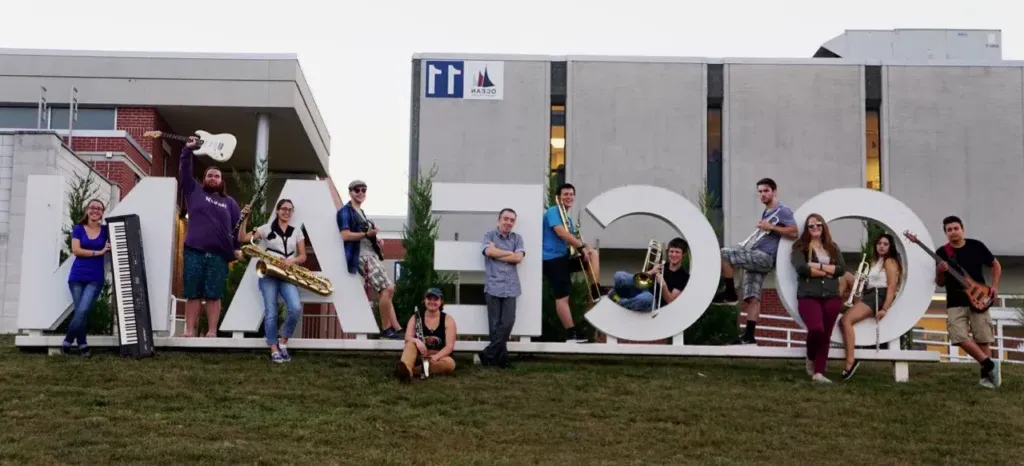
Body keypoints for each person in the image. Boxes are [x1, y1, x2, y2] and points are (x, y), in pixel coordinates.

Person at [713, 178, 797, 345]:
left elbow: (794, 232)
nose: (762, 194)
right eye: (760, 191)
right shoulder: (767, 212)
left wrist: (771, 227)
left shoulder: (783, 210)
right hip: (756, 257)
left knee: (723, 253)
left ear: (774, 191)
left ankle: (730, 292)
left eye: (765, 191)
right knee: (752, 297)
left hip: (764, 257)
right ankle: (749, 336)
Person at [179, 136, 242, 338]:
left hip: (218, 256)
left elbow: (236, 227)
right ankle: (189, 332)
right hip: (194, 252)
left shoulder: (230, 203)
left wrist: (237, 247)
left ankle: (212, 332)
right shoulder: (194, 192)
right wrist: (187, 151)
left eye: (216, 176)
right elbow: (184, 173)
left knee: (214, 295)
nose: (213, 178)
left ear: (221, 181)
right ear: (204, 179)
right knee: (193, 293)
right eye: (209, 176)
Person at [933, 215, 1001, 389]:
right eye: (949, 230)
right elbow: (940, 282)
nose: (953, 232)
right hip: (955, 301)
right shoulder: (942, 252)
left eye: (956, 228)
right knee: (958, 336)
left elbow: (996, 265)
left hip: (980, 299)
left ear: (962, 229)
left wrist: (994, 286)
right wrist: (940, 271)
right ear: (945, 233)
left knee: (983, 339)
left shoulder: (976, 246)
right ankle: (989, 364)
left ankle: (988, 378)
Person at [238, 199, 306, 363]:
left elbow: (303, 256)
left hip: (288, 274)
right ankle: (273, 348)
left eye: (290, 210)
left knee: (295, 308)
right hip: (268, 273)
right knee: (271, 312)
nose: (286, 212)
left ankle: (283, 342)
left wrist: (292, 261)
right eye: (283, 209)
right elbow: (243, 238)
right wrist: (244, 219)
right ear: (277, 210)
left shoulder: (296, 231)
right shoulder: (265, 229)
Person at [337, 179, 402, 339]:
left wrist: (375, 239)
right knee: (387, 288)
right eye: (357, 190)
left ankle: (397, 328)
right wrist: (367, 235)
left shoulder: (362, 213)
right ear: (350, 192)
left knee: (387, 290)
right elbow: (345, 235)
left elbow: (366, 235)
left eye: (363, 190)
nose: (360, 193)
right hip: (361, 256)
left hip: (371, 254)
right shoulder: (345, 211)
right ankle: (387, 329)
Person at [790, 213, 847, 383]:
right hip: (808, 295)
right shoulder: (800, 246)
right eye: (811, 225)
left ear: (824, 227)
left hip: (831, 296)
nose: (815, 227)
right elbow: (802, 268)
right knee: (816, 330)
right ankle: (810, 356)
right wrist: (826, 272)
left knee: (826, 335)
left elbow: (841, 269)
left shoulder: (832, 247)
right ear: (807, 229)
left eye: (819, 224)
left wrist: (818, 266)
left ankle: (819, 373)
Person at [541, 183, 600, 343]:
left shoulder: (568, 218)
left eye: (571, 194)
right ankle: (570, 333)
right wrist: (581, 246)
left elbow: (574, 238)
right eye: (565, 194)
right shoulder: (553, 211)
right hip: (551, 259)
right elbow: (561, 233)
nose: (569, 197)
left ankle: (594, 288)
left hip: (563, 257)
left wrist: (585, 248)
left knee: (593, 252)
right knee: (562, 298)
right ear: (559, 197)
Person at [839, 233, 902, 380]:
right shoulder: (876, 261)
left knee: (845, 321)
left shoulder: (889, 261)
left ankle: (850, 361)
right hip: (869, 293)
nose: (881, 246)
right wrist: (861, 280)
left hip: (878, 296)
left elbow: (891, 286)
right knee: (846, 276)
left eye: (885, 244)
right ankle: (834, 302)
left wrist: (884, 308)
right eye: (879, 243)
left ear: (890, 247)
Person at [476, 208, 524, 368]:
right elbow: (488, 252)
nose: (508, 222)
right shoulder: (489, 236)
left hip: (511, 287)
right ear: (499, 220)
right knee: (495, 325)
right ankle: (500, 360)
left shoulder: (518, 238)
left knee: (508, 323)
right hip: (493, 286)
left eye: (512, 220)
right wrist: (507, 253)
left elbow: (518, 258)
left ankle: (487, 354)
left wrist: (498, 252)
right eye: (506, 219)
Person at [62, 199, 110, 358]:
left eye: (99, 208)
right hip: (77, 276)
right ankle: (83, 346)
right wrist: (99, 252)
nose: (95, 210)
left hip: (95, 278)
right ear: (87, 210)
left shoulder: (106, 230)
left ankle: (67, 342)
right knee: (79, 312)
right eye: (92, 207)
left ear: (102, 213)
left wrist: (108, 249)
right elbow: (76, 250)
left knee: (82, 310)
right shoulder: (78, 229)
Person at [609, 238, 690, 312]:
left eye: (677, 252)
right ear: (668, 252)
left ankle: (619, 302)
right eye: (671, 251)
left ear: (683, 254)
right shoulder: (661, 265)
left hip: (654, 304)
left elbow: (670, 301)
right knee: (619, 275)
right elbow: (639, 280)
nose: (673, 255)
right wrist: (652, 271)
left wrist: (663, 285)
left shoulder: (684, 277)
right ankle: (625, 300)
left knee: (647, 298)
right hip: (642, 290)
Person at [395, 288, 458, 381]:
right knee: (410, 344)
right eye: (429, 298)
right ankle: (408, 368)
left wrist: (436, 357)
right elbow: (407, 338)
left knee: (450, 363)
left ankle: (409, 372)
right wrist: (416, 341)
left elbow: (449, 346)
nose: (432, 301)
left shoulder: (448, 320)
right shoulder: (415, 317)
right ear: (424, 300)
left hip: (438, 355)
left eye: (436, 299)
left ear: (441, 302)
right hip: (418, 354)